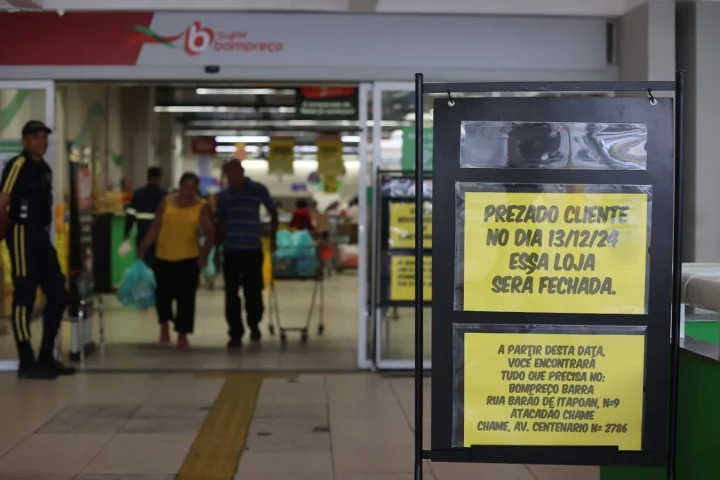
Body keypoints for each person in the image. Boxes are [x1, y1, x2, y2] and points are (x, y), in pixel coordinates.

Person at [0, 120, 74, 380]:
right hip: (20, 235)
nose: (41, 141)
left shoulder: (44, 168)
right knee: (25, 296)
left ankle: (46, 356)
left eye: (44, 137)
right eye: (35, 137)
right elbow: (3, 200)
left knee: (58, 294)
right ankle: (26, 360)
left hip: (40, 237)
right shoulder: (16, 165)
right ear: (25, 141)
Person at [138, 172, 214, 349]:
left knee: (186, 298)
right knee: (163, 296)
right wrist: (143, 247)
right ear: (180, 186)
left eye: (193, 187)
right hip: (163, 256)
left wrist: (204, 255)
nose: (190, 191)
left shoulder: (201, 206)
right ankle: (164, 326)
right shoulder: (166, 202)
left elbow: (210, 232)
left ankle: (182, 333)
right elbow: (155, 226)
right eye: (187, 186)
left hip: (188, 258)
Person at [216, 159, 278, 349]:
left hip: (253, 250)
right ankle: (235, 333)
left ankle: (254, 323)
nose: (230, 178)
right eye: (227, 174)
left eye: (233, 173)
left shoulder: (258, 189)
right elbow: (221, 222)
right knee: (231, 294)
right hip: (231, 250)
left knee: (253, 291)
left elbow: (273, 212)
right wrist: (217, 248)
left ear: (241, 171)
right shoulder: (224, 196)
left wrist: (273, 237)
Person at [121, 167, 167, 269]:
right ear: (160, 178)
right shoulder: (165, 195)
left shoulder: (138, 194)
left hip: (142, 235)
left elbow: (130, 216)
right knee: (159, 266)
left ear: (147, 177)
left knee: (143, 264)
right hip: (160, 236)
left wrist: (126, 233)